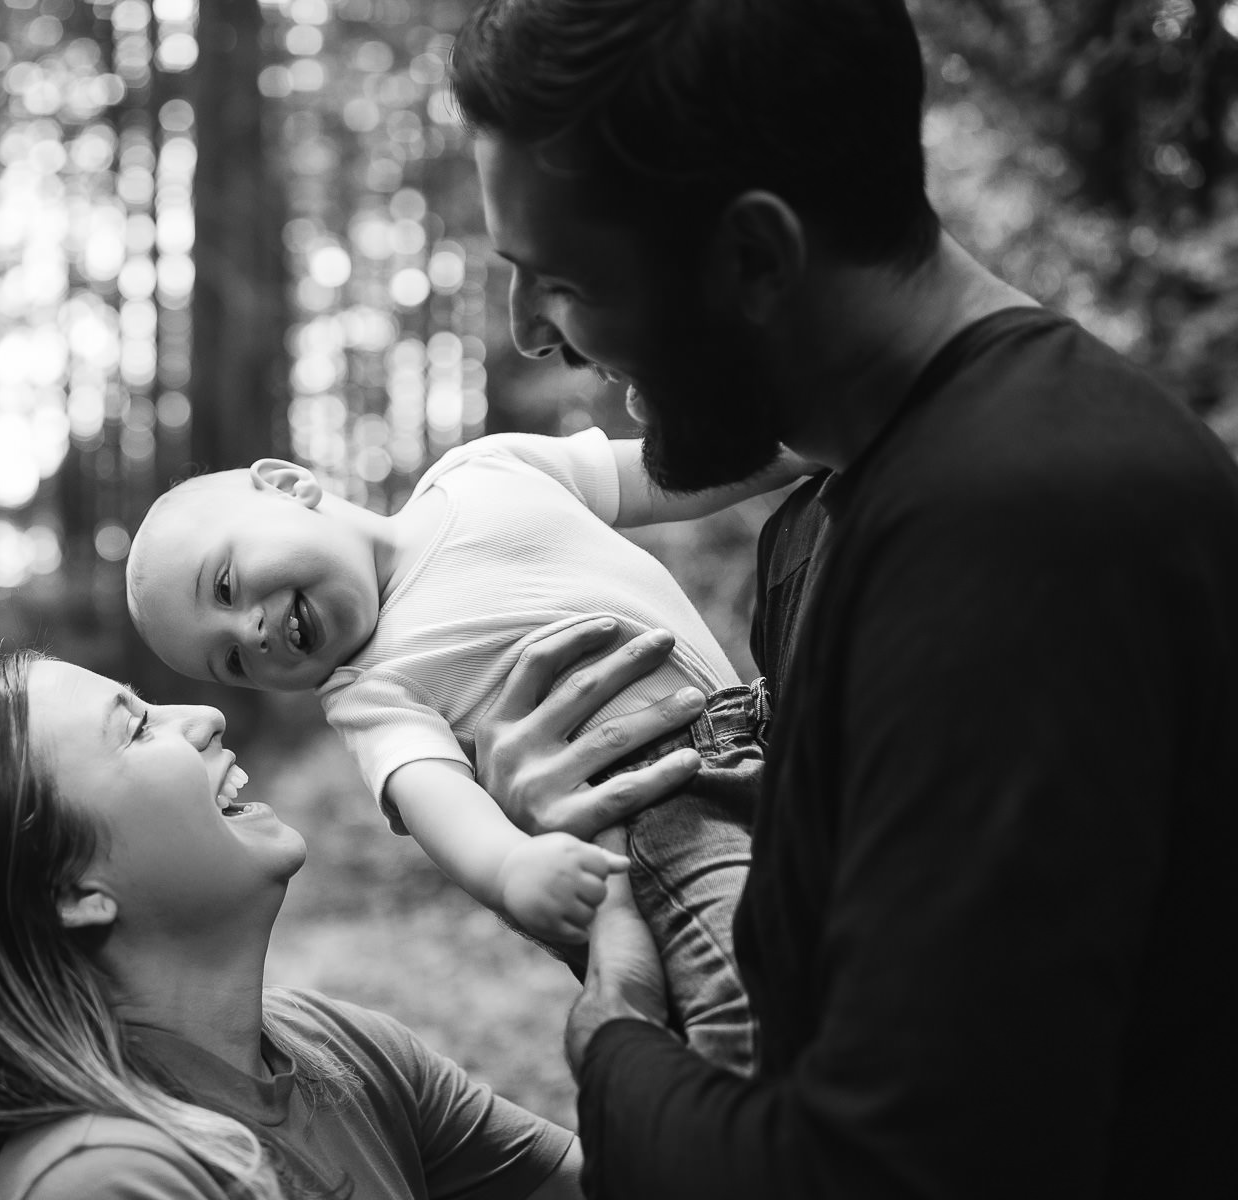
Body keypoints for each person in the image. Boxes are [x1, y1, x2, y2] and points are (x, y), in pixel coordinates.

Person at [448, 0, 1238, 1196]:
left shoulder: (1028, 524)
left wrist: (613, 1042)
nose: (530, 333)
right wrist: (638, 833)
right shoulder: (829, 521)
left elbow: (880, 1168)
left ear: (757, 255)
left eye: (560, 278)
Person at [126, 430, 803, 1072]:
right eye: (234, 660)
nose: (252, 631)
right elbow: (433, 793)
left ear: (286, 484)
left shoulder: (489, 470)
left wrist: (807, 447)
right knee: (756, 986)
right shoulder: (370, 688)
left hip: (771, 738)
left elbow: (661, 476)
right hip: (658, 821)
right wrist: (511, 867)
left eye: (224, 586)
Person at [0, 650, 583, 1200]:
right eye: (134, 730)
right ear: (67, 888)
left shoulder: (345, 1050)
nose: (205, 716)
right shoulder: (102, 1178)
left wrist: (567, 879)